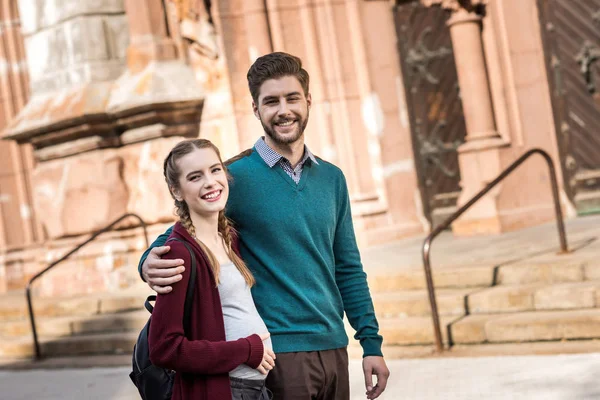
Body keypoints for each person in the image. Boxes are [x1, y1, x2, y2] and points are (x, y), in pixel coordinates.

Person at [140, 52, 389, 400]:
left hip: (334, 345)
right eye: (271, 101)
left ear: (308, 102)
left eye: (292, 98)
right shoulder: (233, 177)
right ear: (256, 109)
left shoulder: (333, 179)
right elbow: (184, 232)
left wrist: (370, 343)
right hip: (279, 354)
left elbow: (348, 267)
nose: (283, 110)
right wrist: (149, 259)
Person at [148, 138, 276, 400]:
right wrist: (245, 350)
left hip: (255, 389)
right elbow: (164, 348)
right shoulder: (180, 252)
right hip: (222, 390)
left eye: (215, 170)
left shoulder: (229, 238)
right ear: (177, 191)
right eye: (195, 177)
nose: (210, 182)